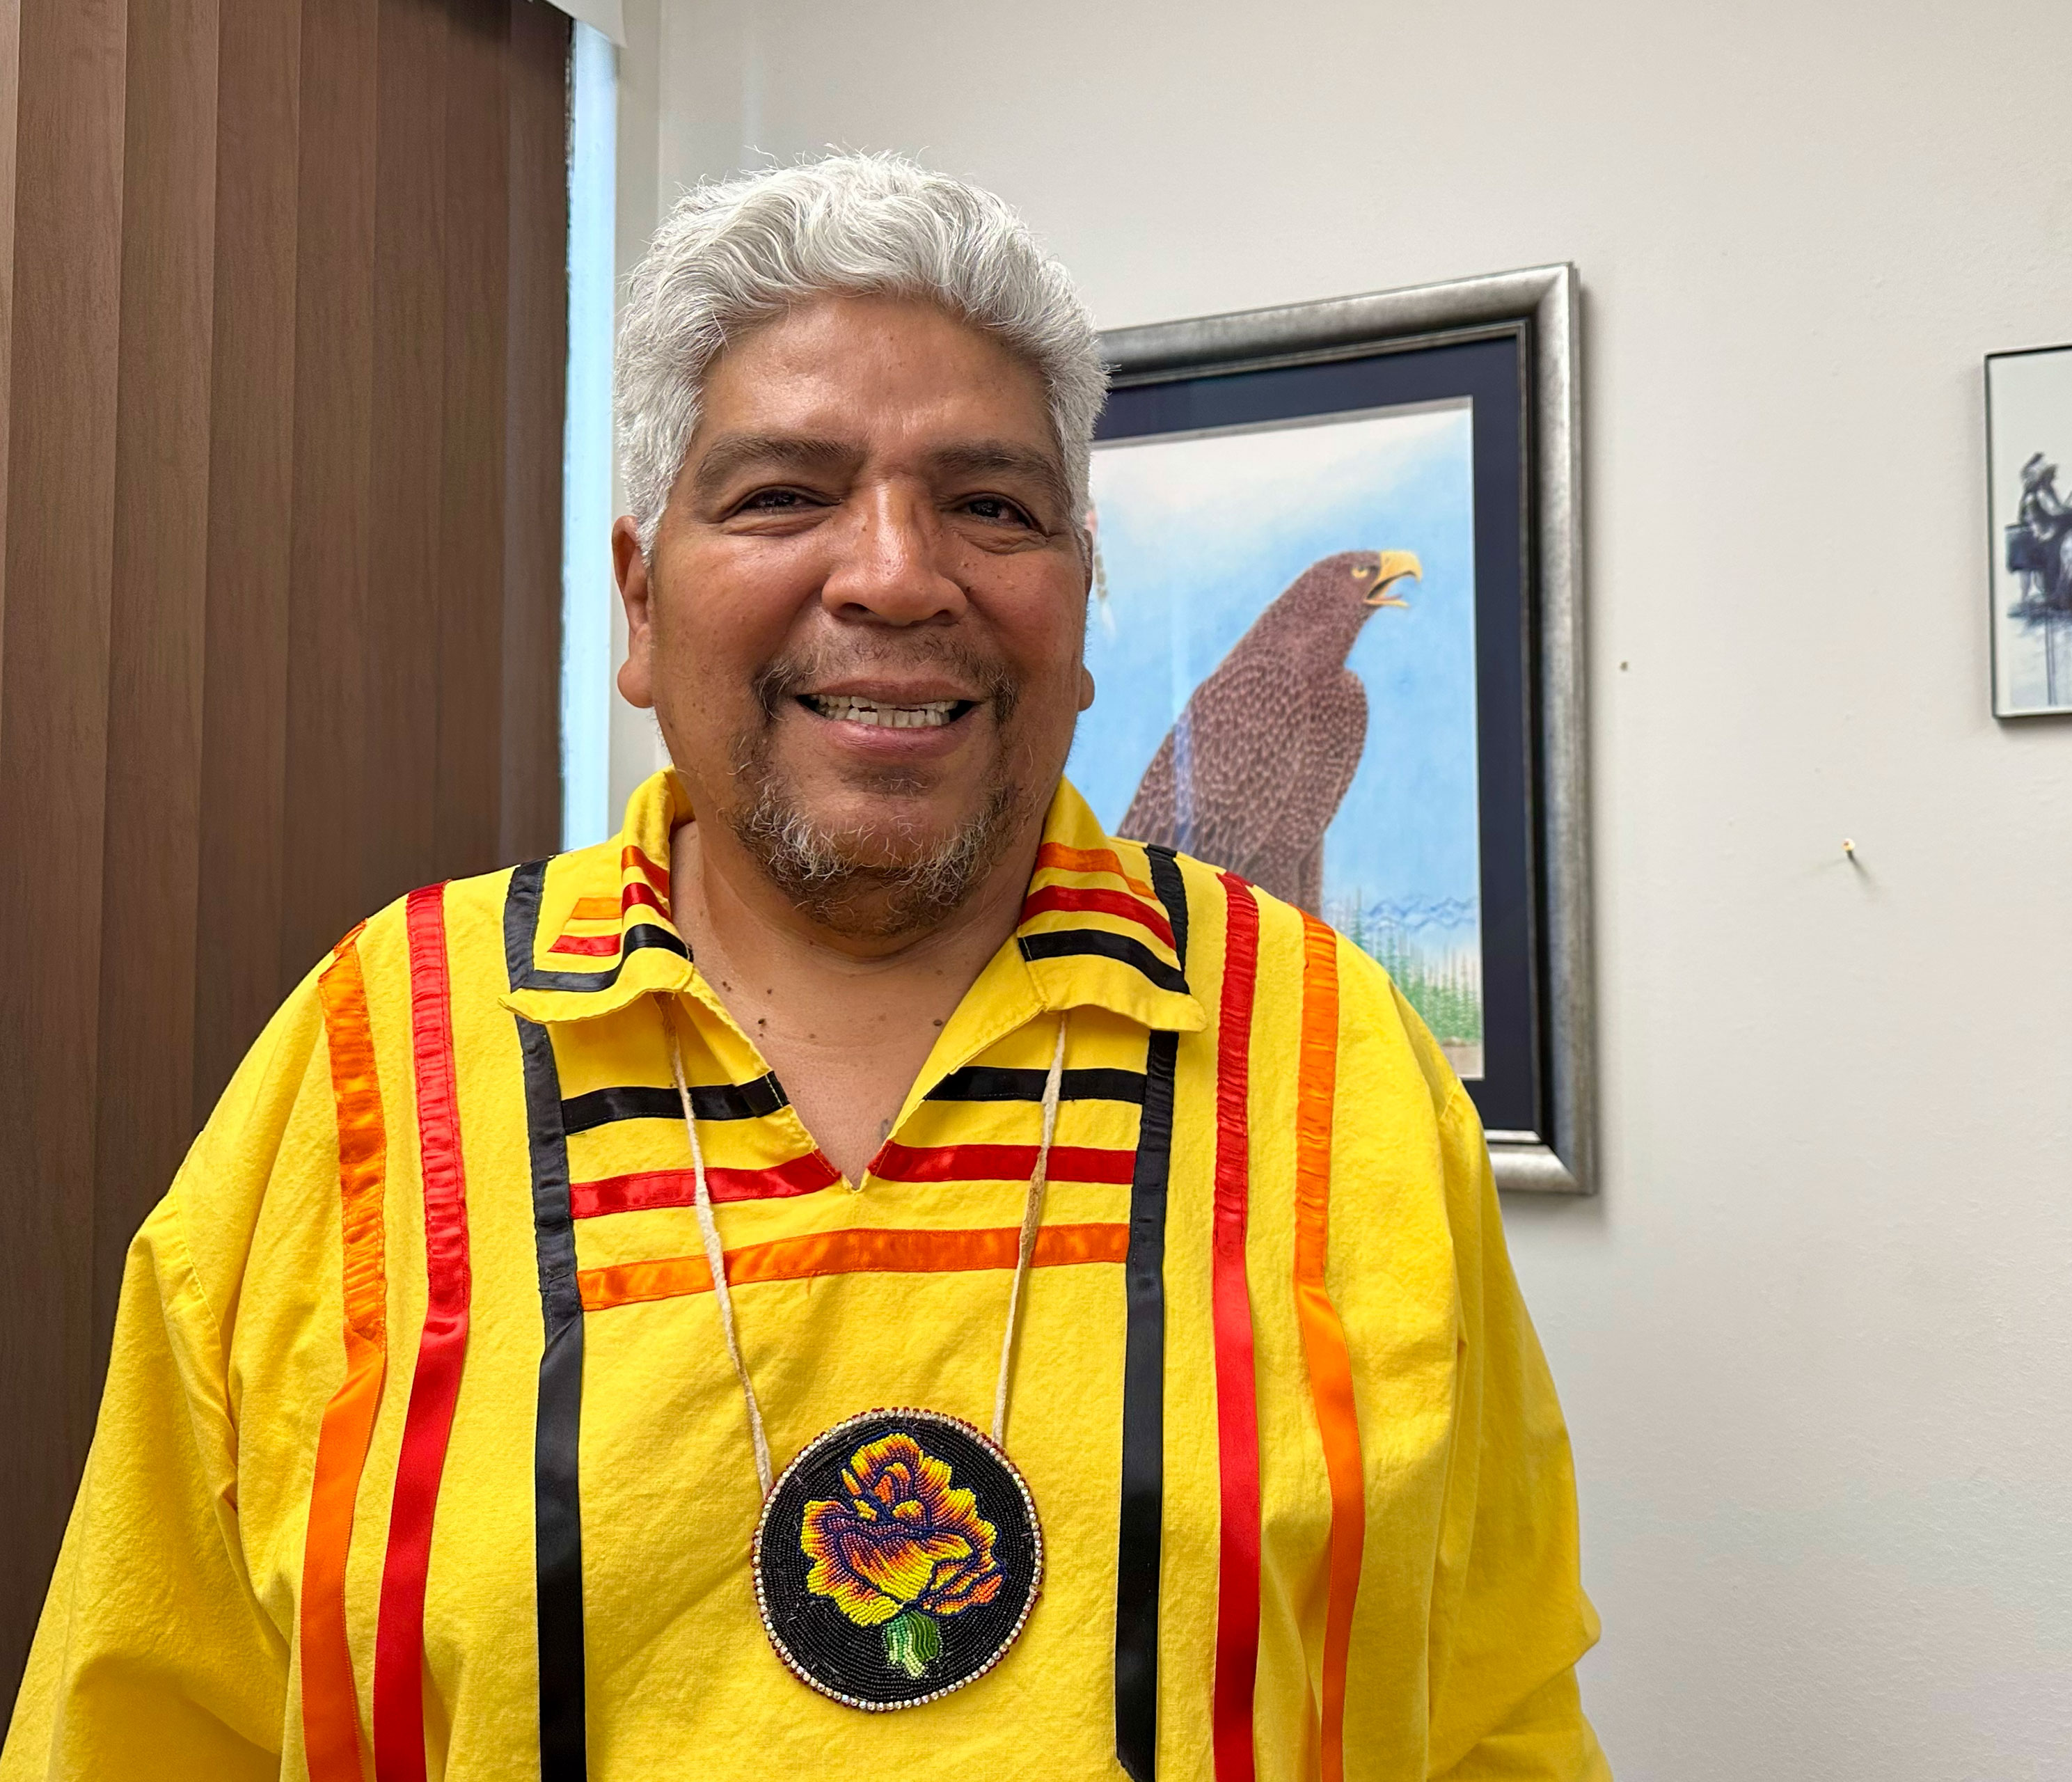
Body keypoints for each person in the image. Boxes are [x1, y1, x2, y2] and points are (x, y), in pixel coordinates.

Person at [1, 155, 1606, 1781]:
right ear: (638, 599)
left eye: (989, 503)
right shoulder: (370, 1062)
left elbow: (1492, 1709)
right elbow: (134, 1723)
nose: (896, 575)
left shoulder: (1326, 1052)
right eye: (782, 493)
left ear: (1079, 600)